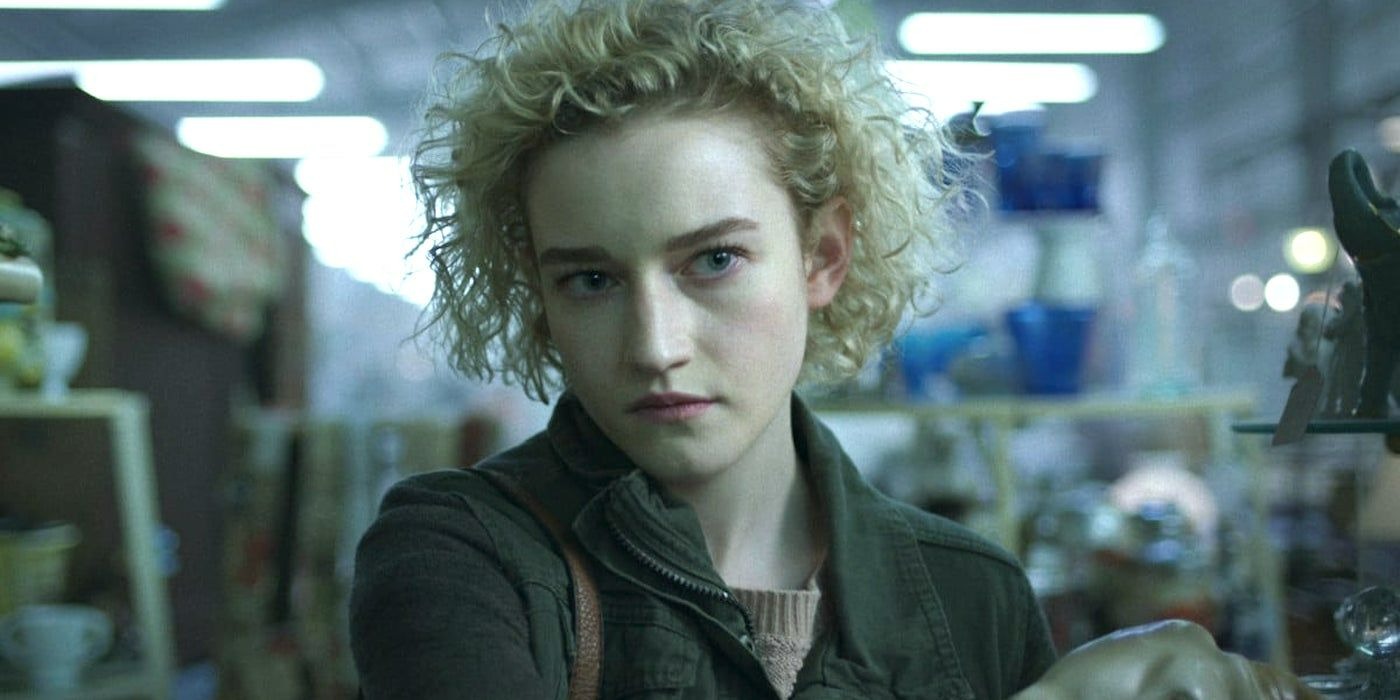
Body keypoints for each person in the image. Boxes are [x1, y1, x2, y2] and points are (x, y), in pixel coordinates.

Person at [349, 1, 1319, 698]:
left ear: (823, 256)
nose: (655, 345)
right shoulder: (462, 555)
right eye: (590, 280)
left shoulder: (969, 592)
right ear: (538, 294)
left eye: (714, 260)